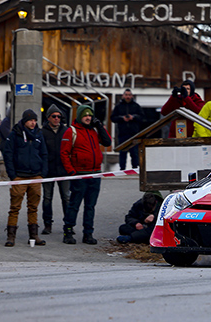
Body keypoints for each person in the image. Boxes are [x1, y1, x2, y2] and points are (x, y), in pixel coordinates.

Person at [61, 104, 112, 245]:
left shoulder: (94, 131)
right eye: (85, 115)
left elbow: (107, 142)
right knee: (74, 204)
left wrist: (100, 126)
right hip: (80, 174)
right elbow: (64, 153)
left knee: (90, 206)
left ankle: (88, 233)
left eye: (90, 115)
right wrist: (71, 172)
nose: (88, 118)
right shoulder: (71, 131)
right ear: (79, 117)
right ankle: (68, 231)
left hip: (95, 174)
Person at [2, 109, 48, 247]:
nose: (33, 123)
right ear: (24, 121)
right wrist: (13, 175)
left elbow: (44, 154)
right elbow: (8, 155)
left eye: (35, 120)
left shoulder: (39, 135)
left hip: (35, 176)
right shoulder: (14, 135)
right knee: (15, 207)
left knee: (33, 207)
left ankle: (34, 235)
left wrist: (43, 173)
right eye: (30, 120)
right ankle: (11, 236)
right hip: (19, 177)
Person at [40, 104, 70, 235]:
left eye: (59, 116)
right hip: (48, 171)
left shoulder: (67, 131)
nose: (57, 118)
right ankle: (47, 224)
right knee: (47, 198)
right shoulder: (42, 132)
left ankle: (69, 225)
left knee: (66, 198)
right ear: (48, 118)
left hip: (64, 170)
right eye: (54, 116)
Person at [110, 89, 144, 170]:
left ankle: (135, 168)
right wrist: (122, 118)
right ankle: (122, 169)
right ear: (123, 96)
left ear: (132, 96)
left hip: (134, 133)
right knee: (122, 152)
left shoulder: (136, 106)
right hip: (123, 133)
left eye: (129, 95)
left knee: (135, 152)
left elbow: (142, 117)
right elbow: (113, 118)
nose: (128, 96)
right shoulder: (118, 106)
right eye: (126, 95)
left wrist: (133, 117)